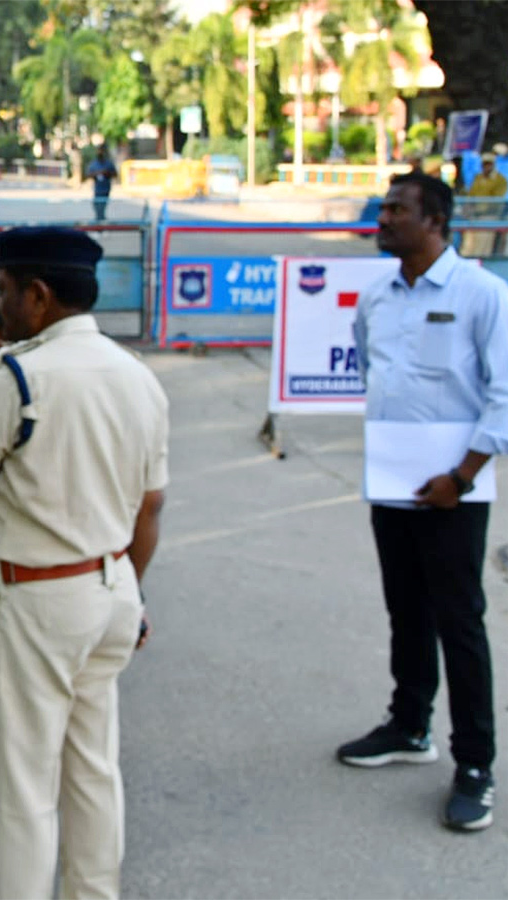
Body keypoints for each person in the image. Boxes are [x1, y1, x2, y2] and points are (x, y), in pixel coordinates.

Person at [0, 225, 168, 898]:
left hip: (36, 601)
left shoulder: (17, 379)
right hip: (111, 589)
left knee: (21, 791)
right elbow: (149, 509)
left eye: (5, 291)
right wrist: (129, 589)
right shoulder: (137, 376)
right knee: (92, 771)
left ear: (37, 296)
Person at [339, 171, 508, 833]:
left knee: (459, 623)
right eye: (383, 208)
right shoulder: (376, 295)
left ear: (435, 221)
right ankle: (410, 726)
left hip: (453, 493)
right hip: (393, 482)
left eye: (396, 210)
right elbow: (367, 370)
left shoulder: (482, 295)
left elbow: (503, 395)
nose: (382, 219)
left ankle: (475, 765)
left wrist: (460, 477)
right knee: (405, 610)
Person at [459, 152, 507, 258]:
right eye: (484, 164)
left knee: (483, 246)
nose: (486, 167)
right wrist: (468, 209)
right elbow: (471, 195)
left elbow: (496, 200)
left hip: (489, 216)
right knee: (468, 246)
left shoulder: (500, 180)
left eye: (489, 164)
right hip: (473, 216)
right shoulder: (478, 178)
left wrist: (482, 209)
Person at [85, 145, 118, 222]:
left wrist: (107, 173)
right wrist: (97, 173)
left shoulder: (109, 164)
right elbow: (88, 175)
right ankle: (99, 220)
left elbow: (115, 174)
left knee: (102, 206)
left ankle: (101, 220)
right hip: (97, 189)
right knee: (97, 206)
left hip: (106, 188)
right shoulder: (93, 164)